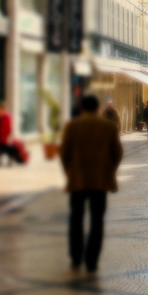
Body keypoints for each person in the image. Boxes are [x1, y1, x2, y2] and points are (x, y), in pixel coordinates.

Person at [60, 94, 123, 272]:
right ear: (98, 108)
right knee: (97, 220)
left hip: (77, 179)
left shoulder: (72, 126)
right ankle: (92, 259)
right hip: (100, 181)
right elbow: (117, 153)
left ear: (81, 108)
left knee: (76, 219)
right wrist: (109, 171)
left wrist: (70, 172)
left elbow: (65, 153)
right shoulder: (108, 127)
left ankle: (76, 256)